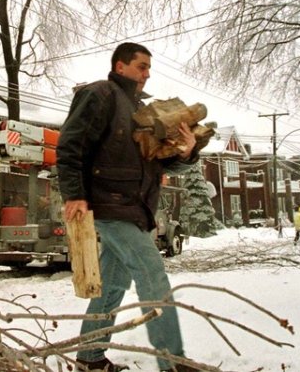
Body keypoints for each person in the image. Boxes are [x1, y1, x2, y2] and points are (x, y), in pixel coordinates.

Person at [56, 42, 201, 372]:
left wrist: (185, 152)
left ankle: (89, 359)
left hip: (137, 210)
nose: (147, 74)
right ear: (120, 67)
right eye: (141, 67)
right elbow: (70, 144)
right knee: (152, 272)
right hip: (109, 205)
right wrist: (74, 194)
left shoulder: (142, 111)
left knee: (111, 286)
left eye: (149, 68)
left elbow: (159, 164)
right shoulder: (101, 94)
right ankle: (172, 362)